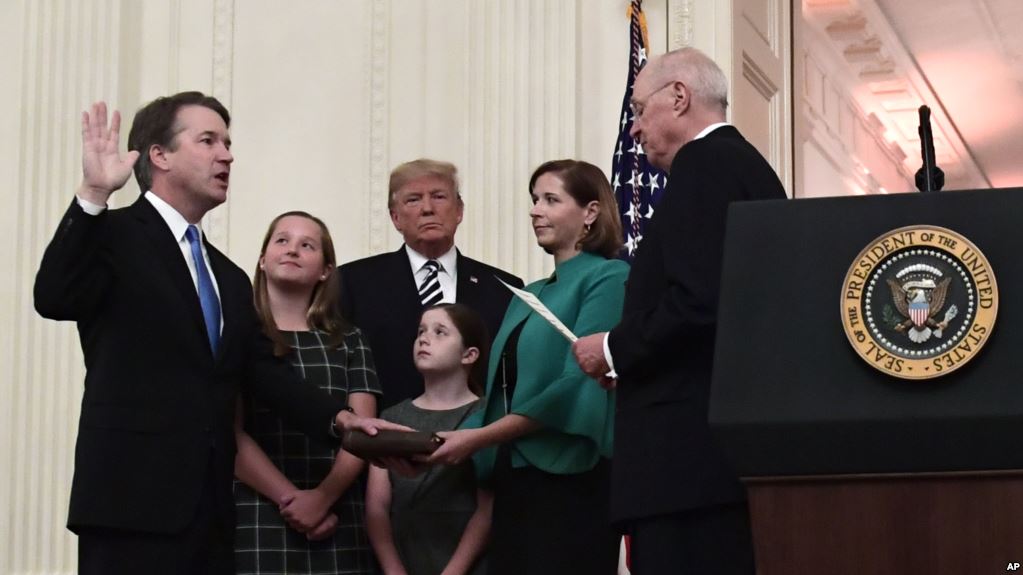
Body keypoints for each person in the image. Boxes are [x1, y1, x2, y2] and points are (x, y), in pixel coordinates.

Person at [33, 93, 397, 574]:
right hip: (129, 504)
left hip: (212, 513)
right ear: (159, 155)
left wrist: (344, 421)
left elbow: (263, 373)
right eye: (208, 141)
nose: (227, 155)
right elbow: (54, 296)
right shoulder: (112, 235)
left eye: (227, 143)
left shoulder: (227, 275)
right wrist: (93, 195)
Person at [571, 48, 788, 574]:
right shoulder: (744, 166)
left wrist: (614, 349)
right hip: (722, 457)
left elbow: (698, 301)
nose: (634, 129)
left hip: (688, 467)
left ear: (679, 96)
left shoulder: (704, 165)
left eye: (639, 110)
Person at [427, 160, 629, 575]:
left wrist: (477, 439)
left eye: (551, 200)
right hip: (513, 480)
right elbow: (498, 395)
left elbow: (577, 384)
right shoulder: (529, 293)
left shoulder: (609, 277)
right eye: (535, 200)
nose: (535, 210)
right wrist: (424, 444)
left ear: (590, 212)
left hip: (572, 478)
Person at [233, 211, 381, 573]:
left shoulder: (349, 340)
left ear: (326, 270)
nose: (292, 250)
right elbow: (229, 432)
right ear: (262, 260)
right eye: (282, 240)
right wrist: (290, 500)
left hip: (337, 511)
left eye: (307, 245)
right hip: (256, 509)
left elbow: (363, 430)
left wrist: (322, 499)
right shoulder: (235, 335)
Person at [339, 159, 523, 410]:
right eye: (413, 199)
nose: (427, 208)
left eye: (438, 196)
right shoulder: (352, 282)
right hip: (383, 428)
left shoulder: (503, 288)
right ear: (395, 218)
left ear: (459, 211)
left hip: (478, 429)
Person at [365, 303, 493, 575]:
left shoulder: (486, 417)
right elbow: (377, 506)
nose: (424, 338)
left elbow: (487, 507)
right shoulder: (391, 417)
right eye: (421, 331)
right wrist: (393, 569)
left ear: (469, 354)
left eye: (439, 332)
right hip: (404, 560)